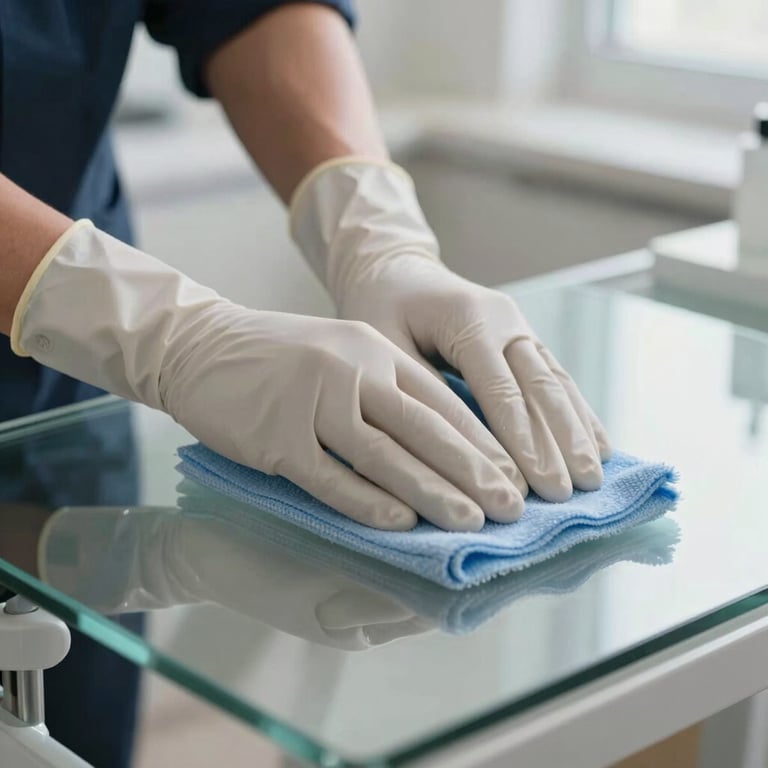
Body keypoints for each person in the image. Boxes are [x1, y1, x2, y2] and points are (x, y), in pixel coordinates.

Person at [0, 2, 611, 765]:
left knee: (73, 727)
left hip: (66, 404)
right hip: (76, 331)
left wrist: (377, 235)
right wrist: (166, 333)